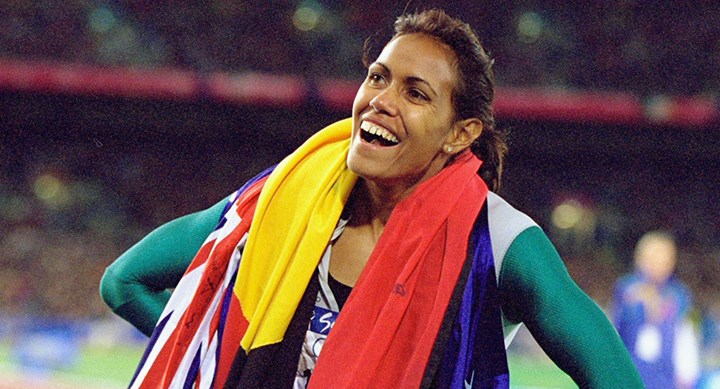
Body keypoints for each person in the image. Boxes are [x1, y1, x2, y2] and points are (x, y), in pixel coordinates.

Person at [100, 8, 642, 388]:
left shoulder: (498, 241)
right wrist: (234, 372)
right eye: (378, 77)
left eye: (415, 93)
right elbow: (123, 283)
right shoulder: (284, 200)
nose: (380, 101)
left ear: (460, 134)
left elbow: (614, 377)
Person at [612, 230, 700, 389]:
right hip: (631, 375)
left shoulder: (679, 293)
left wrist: (687, 373)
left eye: (667, 258)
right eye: (656, 257)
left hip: (666, 378)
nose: (662, 264)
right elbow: (621, 324)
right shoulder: (627, 287)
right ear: (641, 259)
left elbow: (684, 335)